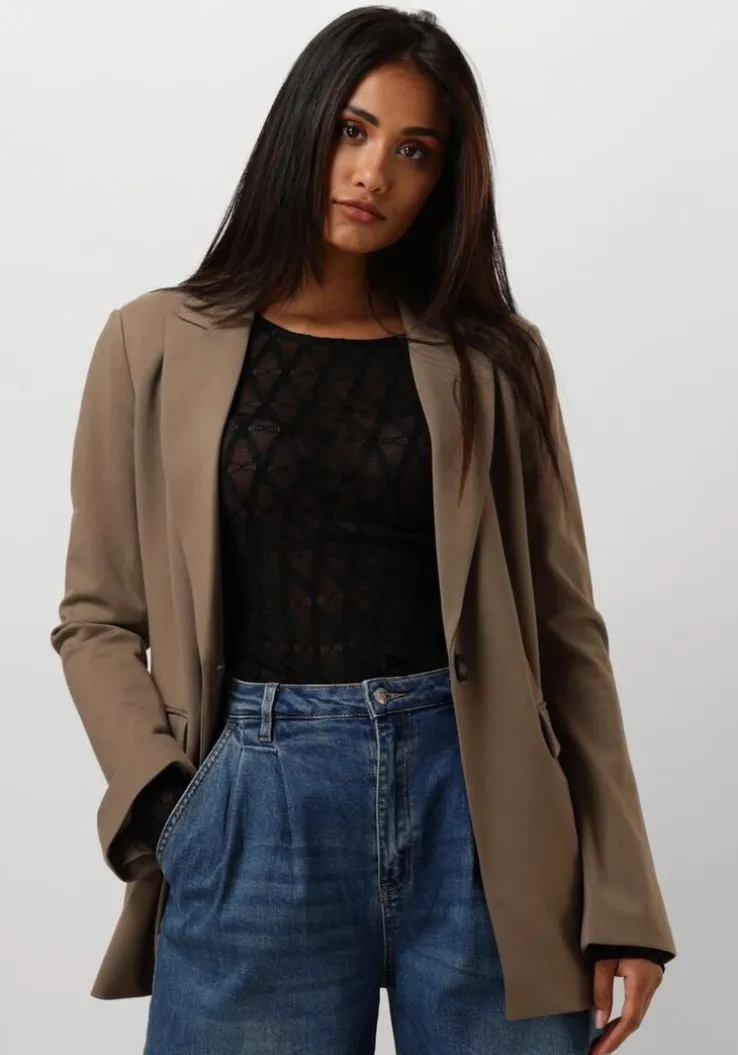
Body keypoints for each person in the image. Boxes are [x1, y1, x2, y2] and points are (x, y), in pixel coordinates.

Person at [50, 7, 676, 1054]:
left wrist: (623, 898)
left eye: (414, 151)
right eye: (352, 129)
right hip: (258, 809)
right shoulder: (152, 341)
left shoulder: (495, 358)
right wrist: (168, 807)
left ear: (444, 181)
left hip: (482, 814)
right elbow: (97, 618)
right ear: (302, 126)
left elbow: (567, 632)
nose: (373, 173)